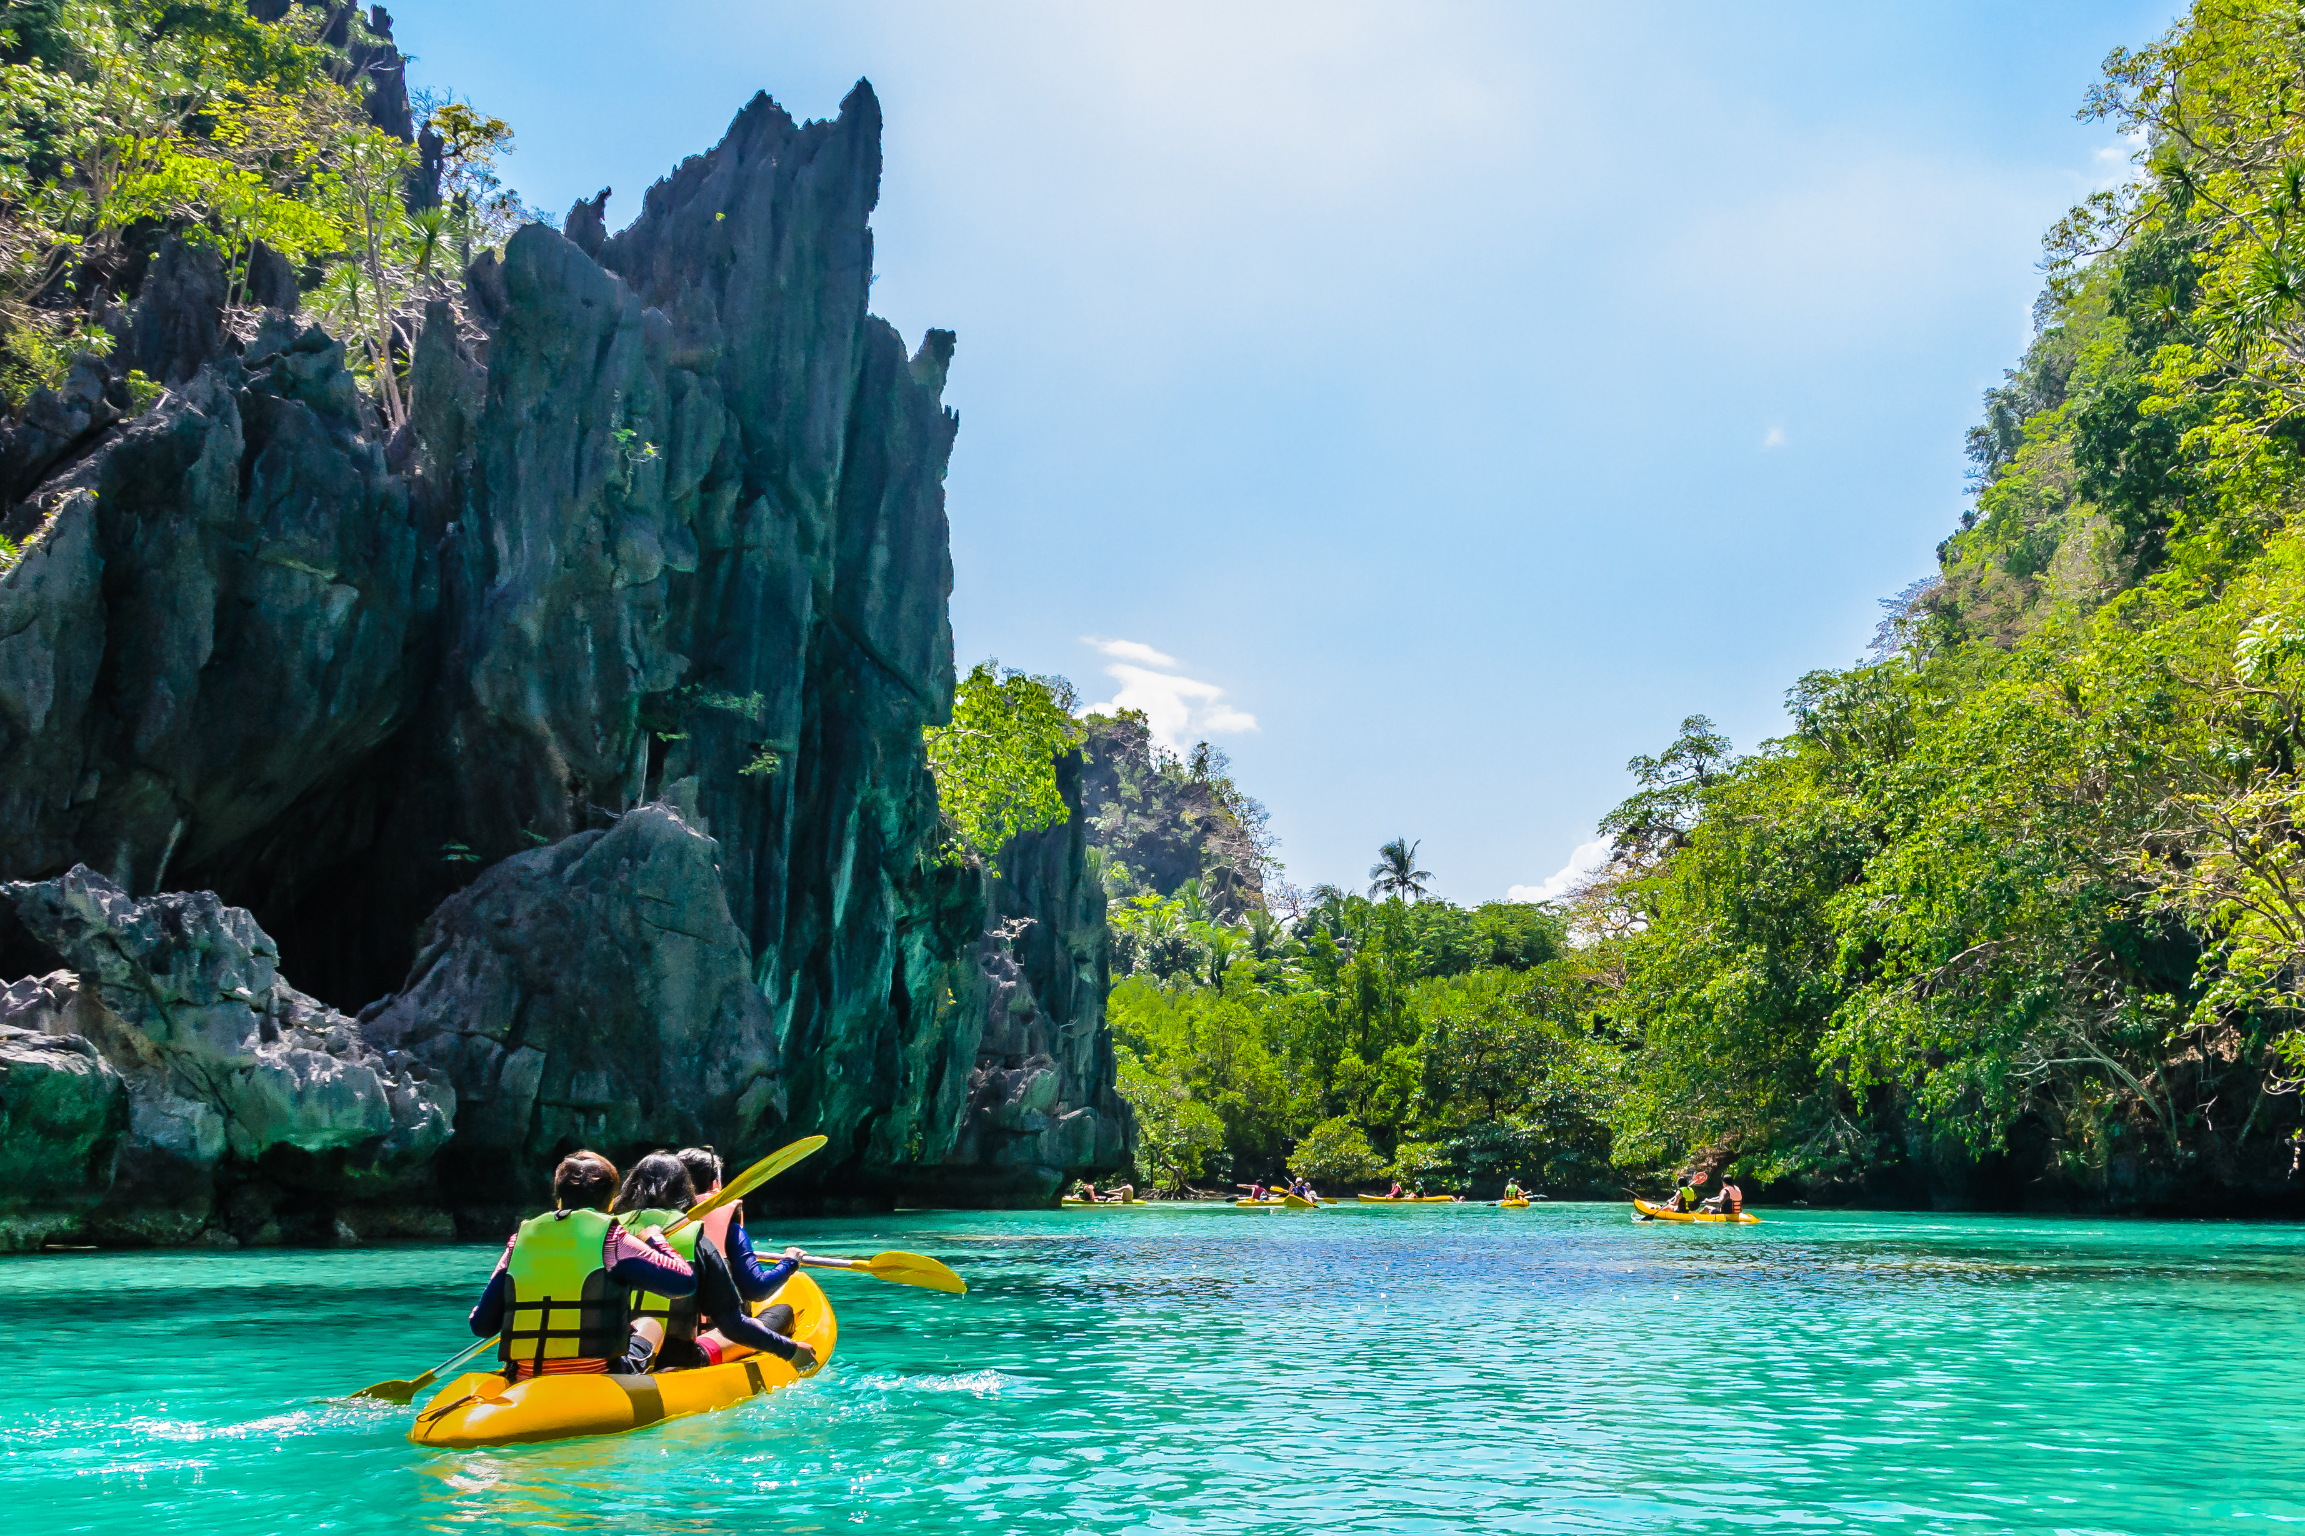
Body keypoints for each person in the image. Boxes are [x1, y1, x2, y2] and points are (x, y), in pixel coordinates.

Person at [468, 1150, 696, 1381]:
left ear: (558, 1197)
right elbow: (684, 1282)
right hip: (599, 1375)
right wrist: (655, 1239)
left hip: (526, 1375)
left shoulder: (518, 1241)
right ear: (609, 1201)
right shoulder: (612, 1239)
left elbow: (481, 1326)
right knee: (649, 1323)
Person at [611, 1151, 817, 1375]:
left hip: (618, 1352)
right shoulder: (695, 1238)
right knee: (780, 1314)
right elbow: (733, 1323)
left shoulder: (611, 1233)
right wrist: (791, 1350)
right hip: (682, 1357)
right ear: (685, 1188)